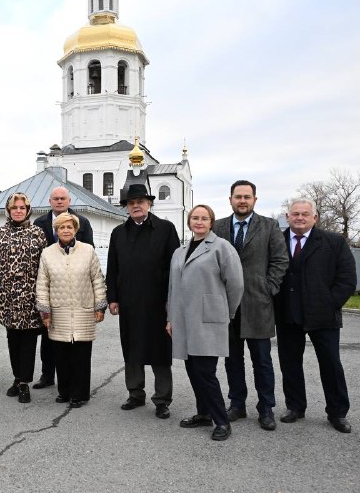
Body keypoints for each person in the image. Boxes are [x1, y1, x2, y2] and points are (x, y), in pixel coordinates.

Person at [212, 180, 288, 431]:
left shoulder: (269, 226)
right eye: (237, 196)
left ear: (255, 199)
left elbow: (279, 260)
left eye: (247, 196)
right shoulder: (219, 227)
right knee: (232, 360)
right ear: (230, 199)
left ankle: (266, 408)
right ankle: (237, 404)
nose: (242, 201)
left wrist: (269, 288)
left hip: (258, 303)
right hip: (227, 305)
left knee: (262, 360)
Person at [276, 198, 356, 433]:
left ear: (315, 217)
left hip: (323, 315)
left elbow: (347, 278)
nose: (299, 217)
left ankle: (337, 412)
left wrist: (331, 303)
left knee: (330, 364)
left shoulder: (333, 242)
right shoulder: (278, 242)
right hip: (288, 313)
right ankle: (295, 406)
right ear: (287, 217)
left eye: (304, 214)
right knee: (290, 363)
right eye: (295, 214)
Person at [167, 205, 244, 441]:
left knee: (205, 372)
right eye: (195, 218)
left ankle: (221, 421)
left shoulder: (222, 247)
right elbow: (172, 287)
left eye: (204, 218)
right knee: (193, 370)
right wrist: (170, 318)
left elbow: (236, 284)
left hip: (208, 319)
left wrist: (225, 313)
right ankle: (203, 413)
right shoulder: (180, 251)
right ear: (189, 222)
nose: (199, 222)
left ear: (211, 222)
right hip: (183, 319)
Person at [106, 184, 180, 419]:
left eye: (140, 201)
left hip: (159, 302)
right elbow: (112, 268)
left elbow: (175, 268)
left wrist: (172, 299)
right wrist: (113, 298)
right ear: (126, 207)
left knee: (159, 351)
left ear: (149, 203)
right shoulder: (118, 233)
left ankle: (162, 399)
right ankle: (135, 393)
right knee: (132, 348)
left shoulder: (166, 229)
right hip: (128, 301)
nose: (135, 205)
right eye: (131, 202)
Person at [35, 212, 106, 408]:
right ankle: (64, 391)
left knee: (81, 356)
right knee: (62, 355)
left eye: (69, 227)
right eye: (61, 227)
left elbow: (97, 280)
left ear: (75, 230)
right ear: (56, 231)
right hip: (59, 312)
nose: (65, 230)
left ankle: (80, 394)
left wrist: (100, 306)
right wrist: (45, 311)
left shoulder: (88, 250)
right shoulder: (47, 253)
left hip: (83, 310)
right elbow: (42, 284)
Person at [32, 186, 94, 390]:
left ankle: (72, 380)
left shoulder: (82, 222)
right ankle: (47, 374)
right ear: (50, 201)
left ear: (69, 201)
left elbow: (89, 253)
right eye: (55, 199)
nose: (59, 201)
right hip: (50, 283)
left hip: (75, 288)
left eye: (63, 198)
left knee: (75, 339)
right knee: (49, 335)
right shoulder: (39, 223)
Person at [0, 192, 47, 404]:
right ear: (9, 210)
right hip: (7, 298)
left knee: (29, 341)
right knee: (13, 340)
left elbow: (45, 266)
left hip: (30, 297)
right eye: (15, 208)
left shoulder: (38, 233)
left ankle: (24, 383)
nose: (18, 211)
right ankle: (17, 377)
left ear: (28, 209)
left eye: (22, 207)